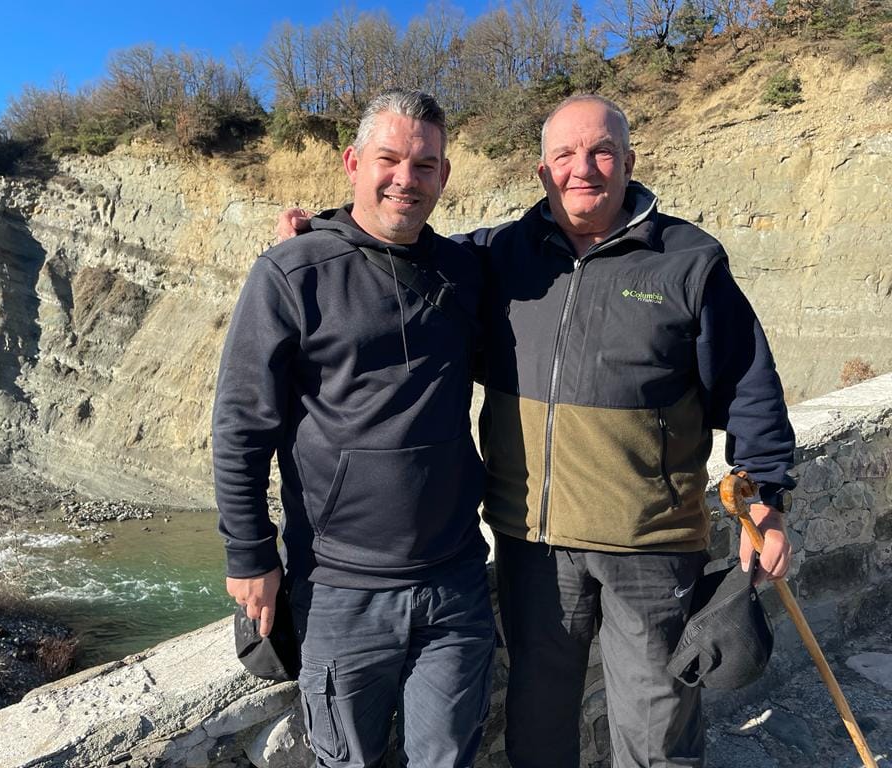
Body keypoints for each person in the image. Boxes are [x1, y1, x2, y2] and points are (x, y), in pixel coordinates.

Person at [278, 94, 796, 768]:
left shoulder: (688, 261)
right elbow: (398, 237)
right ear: (543, 171)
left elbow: (748, 383)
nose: (584, 168)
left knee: (657, 735)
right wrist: (321, 233)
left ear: (629, 161)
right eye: (565, 155)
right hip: (534, 548)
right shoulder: (499, 256)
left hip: (651, 545)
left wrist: (766, 495)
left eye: (602, 152)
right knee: (538, 730)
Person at [213, 88, 495, 768]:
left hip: (456, 578)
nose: (406, 178)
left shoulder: (466, 271)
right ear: (353, 163)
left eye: (424, 165)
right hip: (340, 586)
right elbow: (242, 425)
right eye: (388, 159)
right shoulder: (291, 273)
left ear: (444, 175)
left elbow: (552, 242)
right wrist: (250, 555)